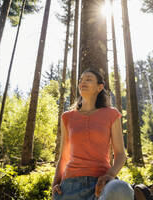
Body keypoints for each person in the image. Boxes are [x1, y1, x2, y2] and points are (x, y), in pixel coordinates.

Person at [52, 68, 134, 200]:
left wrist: (110, 175)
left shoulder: (111, 114)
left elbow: (120, 154)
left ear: (99, 87)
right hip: (69, 186)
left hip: (101, 184)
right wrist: (55, 183)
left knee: (122, 189)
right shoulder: (67, 117)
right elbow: (64, 157)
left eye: (88, 79)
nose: (82, 82)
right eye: (81, 80)